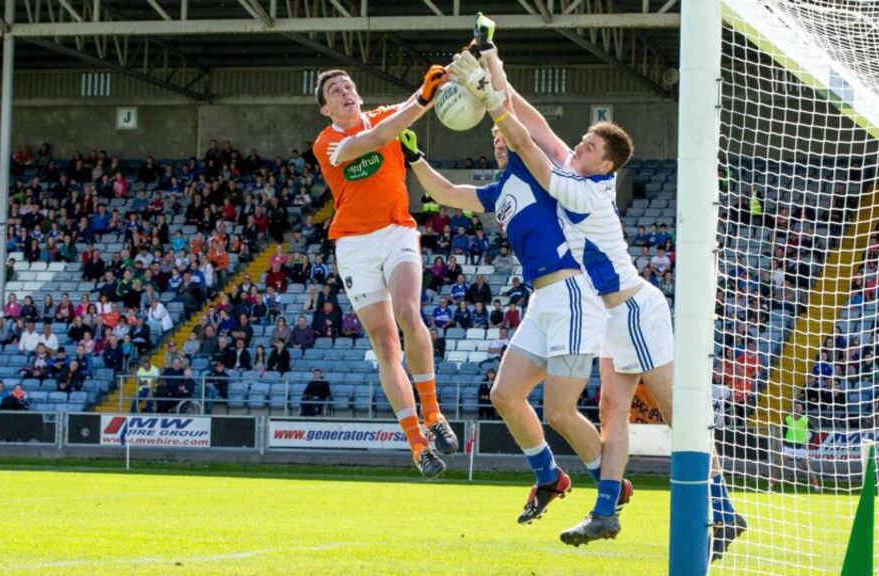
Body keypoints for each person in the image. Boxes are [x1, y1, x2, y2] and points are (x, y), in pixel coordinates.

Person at [458, 36, 743, 546]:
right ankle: (606, 512)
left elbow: (525, 142)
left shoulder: (585, 190)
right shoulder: (575, 166)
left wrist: (490, 100)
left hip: (631, 308)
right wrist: (493, 59)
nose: (579, 145)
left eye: (589, 145)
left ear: (606, 165)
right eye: (583, 141)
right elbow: (535, 122)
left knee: (679, 412)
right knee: (612, 412)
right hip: (607, 316)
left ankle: (721, 507)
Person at [403, 71, 608, 524]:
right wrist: (415, 158)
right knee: (505, 393)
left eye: (502, 133)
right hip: (541, 301)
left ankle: (611, 488)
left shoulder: (537, 169)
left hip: (572, 294)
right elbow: (447, 193)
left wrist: (490, 79)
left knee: (560, 411)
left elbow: (523, 122)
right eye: (493, 137)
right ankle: (549, 477)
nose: (499, 140)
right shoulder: (499, 191)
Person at [311, 63, 458, 477]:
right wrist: (423, 99)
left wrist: (441, 77)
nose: (345, 92)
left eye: (348, 85)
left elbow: (409, 106)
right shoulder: (327, 143)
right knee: (384, 343)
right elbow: (379, 137)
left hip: (396, 232)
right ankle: (416, 444)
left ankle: (433, 413)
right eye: (335, 91)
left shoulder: (383, 116)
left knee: (409, 314)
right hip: (355, 246)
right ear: (327, 109)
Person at [769, 402, 820, 492]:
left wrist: (809, 443)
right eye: (795, 407)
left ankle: (817, 488)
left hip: (800, 448)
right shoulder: (787, 419)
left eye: (798, 407)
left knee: (807, 468)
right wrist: (783, 443)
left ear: (802, 409)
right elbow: (783, 432)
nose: (796, 409)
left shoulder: (805, 419)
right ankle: (770, 487)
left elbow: (814, 432)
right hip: (788, 447)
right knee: (779, 467)